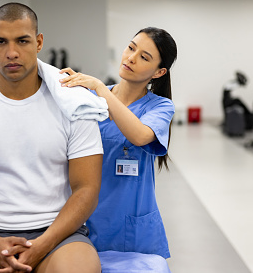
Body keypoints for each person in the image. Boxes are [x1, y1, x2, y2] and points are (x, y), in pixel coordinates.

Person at [0, 3, 104, 273]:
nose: (11, 53)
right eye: (1, 42)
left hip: (57, 233)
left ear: (38, 42)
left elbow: (87, 189)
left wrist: (42, 245)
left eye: (22, 41)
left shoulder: (75, 107)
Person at [59, 27, 177, 259]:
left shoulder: (160, 107)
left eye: (144, 57)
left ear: (159, 72)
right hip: (85, 215)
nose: (131, 58)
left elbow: (140, 135)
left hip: (130, 224)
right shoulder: (88, 99)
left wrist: (101, 89)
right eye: (131, 48)